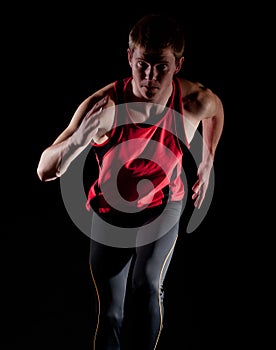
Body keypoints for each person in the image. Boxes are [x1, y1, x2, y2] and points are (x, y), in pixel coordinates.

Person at [37, 13, 224, 350]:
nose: (149, 77)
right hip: (112, 210)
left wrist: (208, 158)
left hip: (164, 204)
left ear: (178, 65)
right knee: (111, 312)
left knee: (147, 285)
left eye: (161, 67)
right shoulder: (105, 107)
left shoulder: (195, 100)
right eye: (142, 64)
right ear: (129, 58)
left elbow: (217, 110)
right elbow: (44, 170)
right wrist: (79, 140)